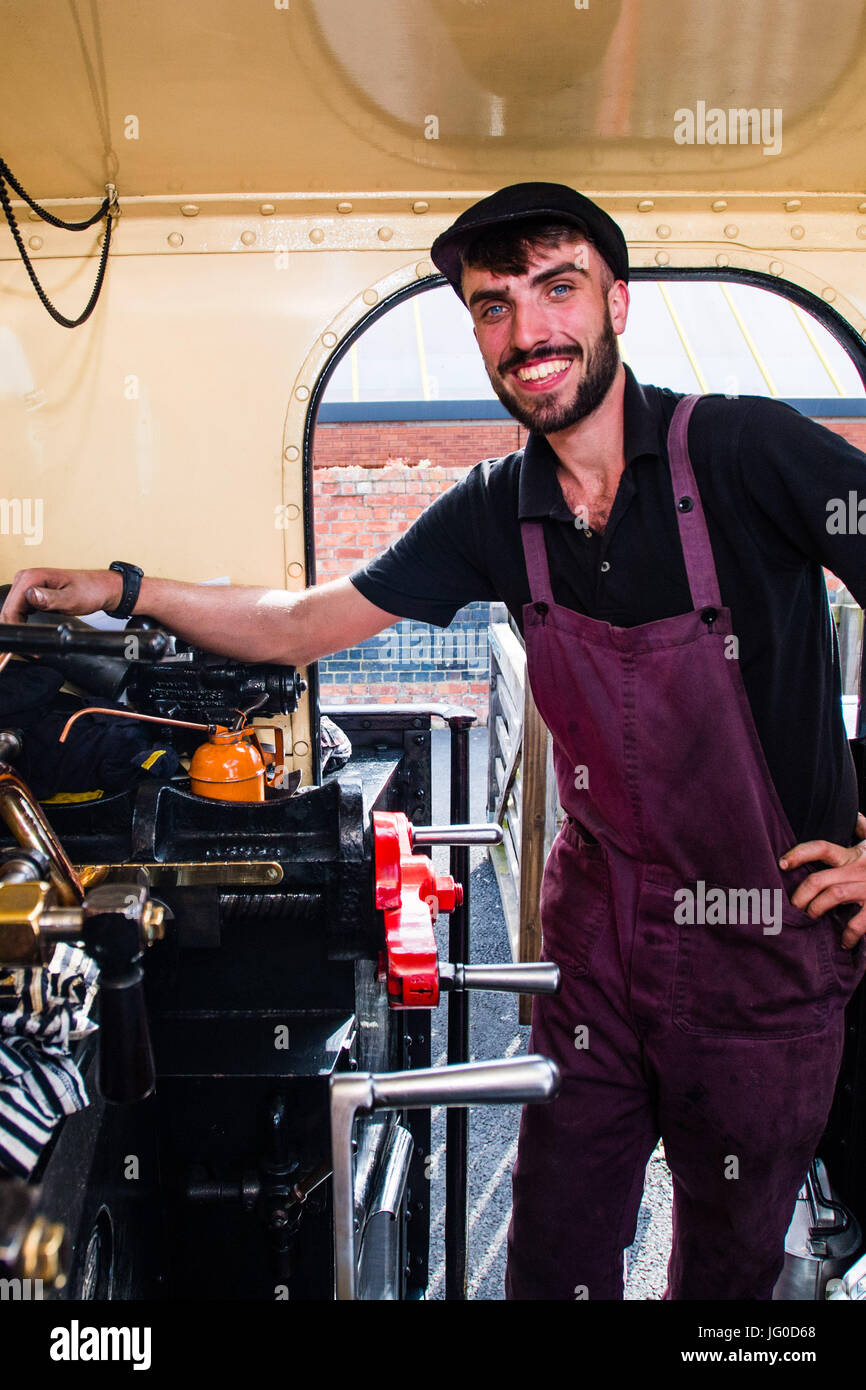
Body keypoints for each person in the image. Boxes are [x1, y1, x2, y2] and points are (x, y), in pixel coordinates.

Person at [2, 182, 866, 1300]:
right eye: (491, 306)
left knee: (728, 1269)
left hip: (763, 953)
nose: (527, 332)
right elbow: (302, 623)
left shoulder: (747, 451)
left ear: (616, 303)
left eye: (556, 289)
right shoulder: (494, 510)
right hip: (595, 951)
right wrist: (127, 588)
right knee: (551, 1260)